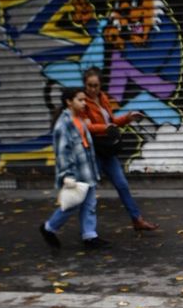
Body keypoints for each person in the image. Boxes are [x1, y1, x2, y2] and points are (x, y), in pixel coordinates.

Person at [80, 67, 159, 231]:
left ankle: (137, 219)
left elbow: (113, 121)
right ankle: (59, 225)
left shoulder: (103, 99)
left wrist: (128, 118)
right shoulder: (82, 103)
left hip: (107, 151)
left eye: (96, 85)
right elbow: (87, 127)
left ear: (100, 85)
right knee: (87, 191)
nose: (93, 89)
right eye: (89, 85)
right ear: (85, 85)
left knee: (122, 184)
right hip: (93, 152)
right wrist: (105, 128)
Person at [39, 88, 109, 250]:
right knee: (72, 205)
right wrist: (67, 175)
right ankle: (49, 228)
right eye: (80, 100)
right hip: (75, 174)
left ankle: (90, 236)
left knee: (90, 204)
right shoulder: (63, 125)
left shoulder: (79, 119)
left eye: (84, 100)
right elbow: (62, 152)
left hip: (87, 171)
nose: (84, 103)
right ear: (69, 102)